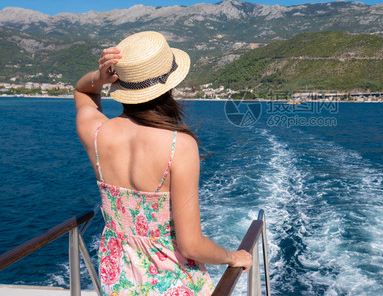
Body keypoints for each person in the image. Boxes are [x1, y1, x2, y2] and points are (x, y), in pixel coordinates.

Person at [74, 31, 252, 296]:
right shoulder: (178, 146)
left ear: (120, 84)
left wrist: (99, 78)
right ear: (169, 85)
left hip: (119, 279)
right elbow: (191, 245)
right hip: (172, 282)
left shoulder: (96, 133)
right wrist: (231, 256)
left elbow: (82, 91)